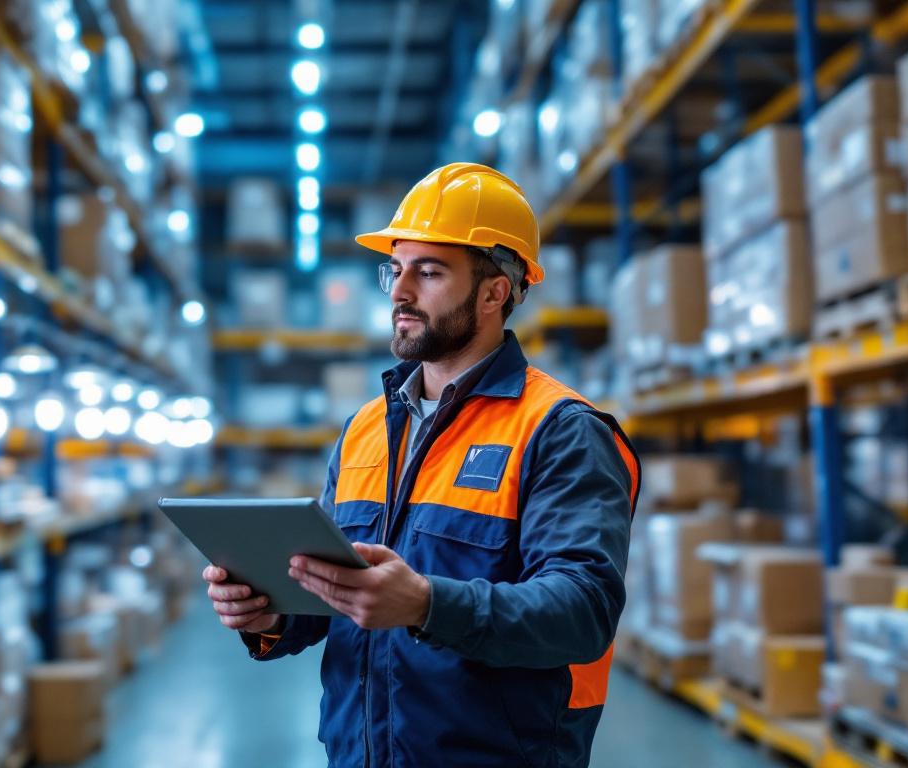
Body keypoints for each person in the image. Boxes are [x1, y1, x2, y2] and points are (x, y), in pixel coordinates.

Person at [202, 163, 640, 767]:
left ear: (495, 292)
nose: (400, 293)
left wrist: (427, 604)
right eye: (395, 269)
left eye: (429, 271)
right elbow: (341, 598)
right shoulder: (364, 431)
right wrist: (269, 612)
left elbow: (583, 610)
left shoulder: (560, 429)